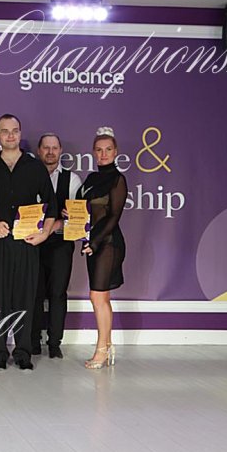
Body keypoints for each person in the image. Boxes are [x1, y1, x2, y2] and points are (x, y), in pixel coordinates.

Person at [0, 115, 58, 371]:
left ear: (20, 133)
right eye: (5, 131)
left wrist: (44, 234)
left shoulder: (35, 167)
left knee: (26, 298)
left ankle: (23, 352)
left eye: (14, 131)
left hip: (28, 242)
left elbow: (51, 206)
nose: (10, 135)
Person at [76, 127, 127, 369]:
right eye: (99, 150)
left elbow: (114, 216)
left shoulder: (118, 179)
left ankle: (102, 350)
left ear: (115, 152)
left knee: (97, 295)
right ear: (93, 152)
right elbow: (82, 210)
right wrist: (70, 214)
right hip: (92, 243)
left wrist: (95, 242)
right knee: (99, 296)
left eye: (108, 149)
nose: (103, 154)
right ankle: (106, 347)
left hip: (108, 243)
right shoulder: (90, 179)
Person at [31, 133, 82, 359]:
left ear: (60, 150)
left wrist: (58, 224)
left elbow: (77, 218)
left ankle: (54, 343)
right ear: (39, 150)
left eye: (54, 148)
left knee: (57, 293)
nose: (50, 152)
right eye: (46, 147)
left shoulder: (72, 180)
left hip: (61, 244)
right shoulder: (29, 176)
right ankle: (33, 341)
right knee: (33, 293)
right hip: (32, 243)